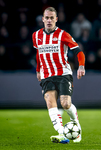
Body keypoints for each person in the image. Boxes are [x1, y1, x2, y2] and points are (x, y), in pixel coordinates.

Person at [32, 7, 85, 144]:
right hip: (46, 74)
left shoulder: (63, 34)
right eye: (47, 18)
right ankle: (63, 134)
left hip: (63, 73)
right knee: (50, 102)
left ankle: (76, 125)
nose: (49, 20)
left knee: (66, 104)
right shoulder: (36, 36)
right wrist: (38, 70)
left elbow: (78, 51)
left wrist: (81, 66)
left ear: (56, 19)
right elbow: (39, 54)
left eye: (52, 18)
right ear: (43, 19)